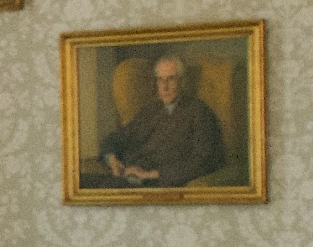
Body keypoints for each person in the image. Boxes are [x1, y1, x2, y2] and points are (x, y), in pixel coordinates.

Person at [92, 53, 224, 189]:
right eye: (160, 80)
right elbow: (120, 137)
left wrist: (150, 174)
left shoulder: (200, 112)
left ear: (182, 81)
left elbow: (204, 161)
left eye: (170, 79)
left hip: (153, 183)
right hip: (126, 174)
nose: (164, 87)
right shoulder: (152, 108)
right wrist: (112, 159)